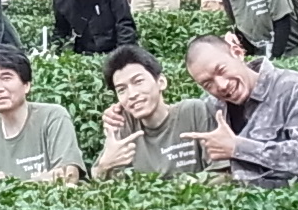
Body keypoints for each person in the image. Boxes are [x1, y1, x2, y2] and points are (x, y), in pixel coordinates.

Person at [181, 35, 298, 188]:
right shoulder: (213, 106)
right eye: (208, 84)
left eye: (221, 70)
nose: (221, 85)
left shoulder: (293, 87)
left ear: (237, 53)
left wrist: (238, 147)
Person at [92, 46, 227, 179]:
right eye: (122, 90)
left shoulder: (193, 112)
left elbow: (223, 173)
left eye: (138, 81)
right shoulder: (124, 123)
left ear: (161, 82)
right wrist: (105, 165)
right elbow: (97, 176)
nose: (132, 94)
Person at [0, 46, 85, 182]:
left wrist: (8, 184)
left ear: (26, 85)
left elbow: (69, 175)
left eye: (6, 78)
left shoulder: (53, 117)